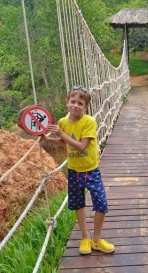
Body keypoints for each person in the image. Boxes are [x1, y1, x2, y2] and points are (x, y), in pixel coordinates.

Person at [40, 85, 114, 255]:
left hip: (91, 170)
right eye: (72, 101)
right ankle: (85, 237)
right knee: (78, 204)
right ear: (67, 103)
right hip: (74, 170)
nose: (75, 105)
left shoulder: (89, 122)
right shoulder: (62, 123)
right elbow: (64, 142)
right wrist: (48, 139)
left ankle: (97, 239)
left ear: (85, 107)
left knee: (101, 205)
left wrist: (61, 133)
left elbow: (81, 146)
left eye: (80, 103)